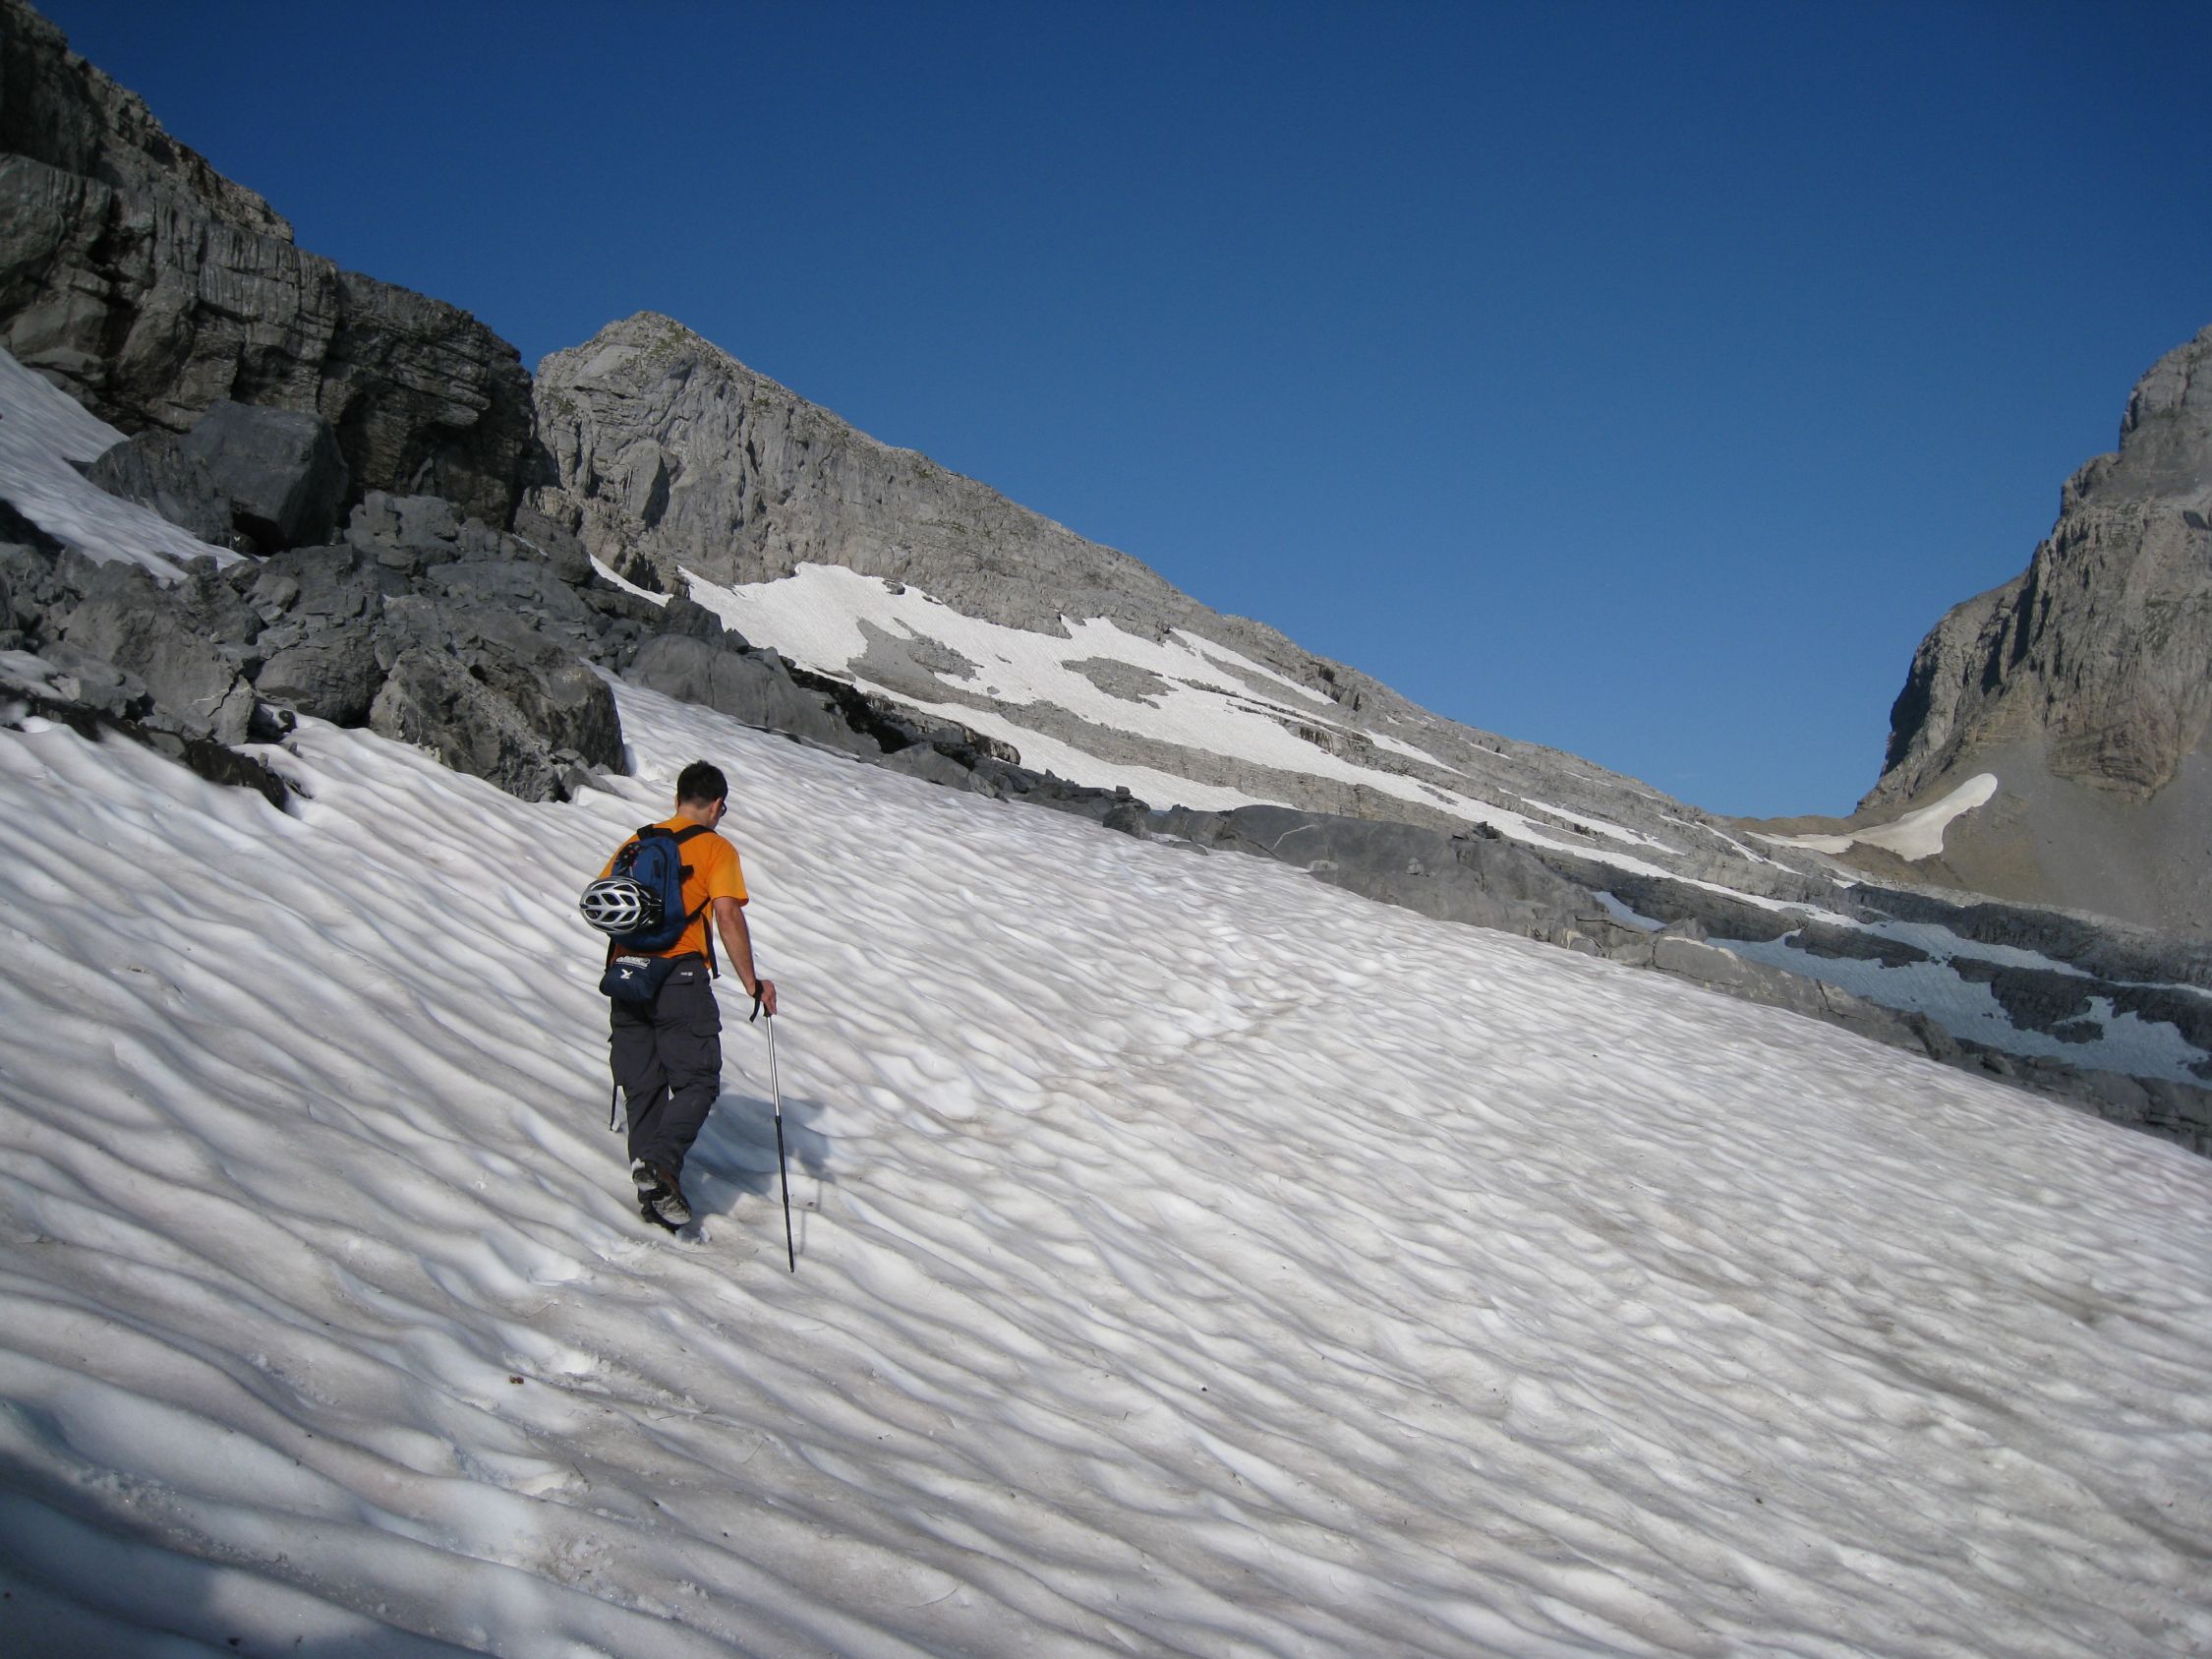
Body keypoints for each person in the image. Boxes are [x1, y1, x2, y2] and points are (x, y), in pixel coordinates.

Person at [601, 760, 778, 1228]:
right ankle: (659, 1165)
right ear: (718, 804)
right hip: (679, 977)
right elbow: (727, 915)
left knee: (643, 1089)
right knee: (698, 1081)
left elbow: (605, 903)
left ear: (677, 797)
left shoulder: (636, 842)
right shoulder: (715, 848)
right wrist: (752, 983)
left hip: (627, 977)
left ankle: (655, 1200)